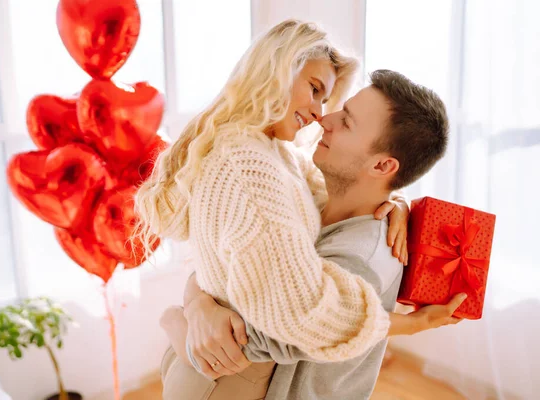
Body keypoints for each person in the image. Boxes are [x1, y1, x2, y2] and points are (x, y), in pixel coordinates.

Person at [135, 20, 415, 398]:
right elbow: (299, 311)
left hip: (215, 363)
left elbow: (331, 201)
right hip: (229, 376)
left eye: (325, 100)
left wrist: (394, 200)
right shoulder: (247, 162)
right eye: (314, 90)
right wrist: (411, 324)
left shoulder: (277, 153)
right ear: (277, 69)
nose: (318, 113)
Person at [160, 69, 464, 399]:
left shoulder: (362, 256)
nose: (325, 118)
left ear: (381, 167)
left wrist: (178, 319)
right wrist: (198, 303)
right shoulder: (307, 198)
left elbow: (272, 334)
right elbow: (228, 263)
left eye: (347, 121)